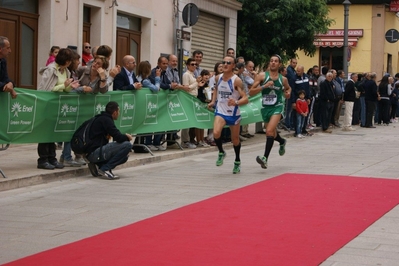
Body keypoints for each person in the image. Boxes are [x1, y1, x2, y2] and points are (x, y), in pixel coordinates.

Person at [37, 48, 78, 170]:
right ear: (65, 60)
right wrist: (63, 85)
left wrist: (70, 86)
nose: (70, 63)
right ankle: (43, 159)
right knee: (45, 133)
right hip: (48, 105)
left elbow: (64, 89)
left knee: (53, 133)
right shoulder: (51, 70)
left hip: (58, 106)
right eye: (69, 61)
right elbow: (44, 90)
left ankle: (52, 158)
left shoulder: (66, 71)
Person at [249, 55, 291, 170]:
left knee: (269, 131)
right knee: (271, 132)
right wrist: (264, 86)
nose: (273, 63)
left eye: (276, 61)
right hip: (265, 108)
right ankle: (282, 141)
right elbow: (251, 92)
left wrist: (288, 93)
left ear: (279, 64)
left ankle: (265, 159)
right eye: (271, 60)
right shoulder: (262, 76)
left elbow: (288, 88)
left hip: (277, 107)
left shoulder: (283, 79)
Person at [208, 56, 248, 174]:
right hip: (220, 111)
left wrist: (236, 102)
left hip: (233, 113)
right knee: (216, 132)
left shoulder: (236, 80)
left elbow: (245, 99)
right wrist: (213, 101)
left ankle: (237, 161)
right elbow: (216, 89)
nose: (225, 64)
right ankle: (221, 152)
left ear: (233, 66)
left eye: (228, 63)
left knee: (235, 139)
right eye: (223, 62)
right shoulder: (217, 78)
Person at [86, 101, 133, 179]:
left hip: (93, 152)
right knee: (127, 145)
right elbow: (118, 137)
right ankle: (105, 169)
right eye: (119, 111)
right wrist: (127, 137)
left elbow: (115, 136)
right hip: (94, 152)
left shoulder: (102, 118)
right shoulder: (106, 120)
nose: (119, 113)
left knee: (124, 157)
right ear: (115, 112)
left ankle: (100, 166)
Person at [196, 69, 211, 147]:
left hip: (204, 105)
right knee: (198, 124)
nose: (206, 76)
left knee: (203, 123)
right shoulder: (200, 85)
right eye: (205, 75)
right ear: (201, 76)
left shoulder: (207, 85)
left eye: (208, 75)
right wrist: (204, 100)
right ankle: (198, 140)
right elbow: (198, 95)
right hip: (198, 105)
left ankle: (202, 140)